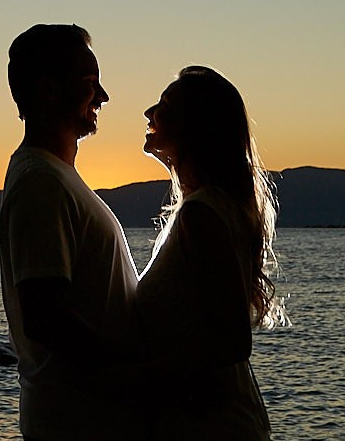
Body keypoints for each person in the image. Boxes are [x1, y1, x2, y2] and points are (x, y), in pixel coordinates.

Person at [0, 24, 141, 441]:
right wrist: (138, 372)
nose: (103, 97)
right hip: (78, 421)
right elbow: (45, 316)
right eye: (89, 84)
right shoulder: (41, 183)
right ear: (47, 90)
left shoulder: (55, 178)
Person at [134, 65, 280, 440]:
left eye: (164, 105)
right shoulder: (207, 208)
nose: (149, 113)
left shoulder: (203, 214)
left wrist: (126, 376)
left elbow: (232, 342)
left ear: (194, 126)